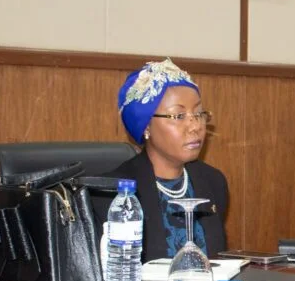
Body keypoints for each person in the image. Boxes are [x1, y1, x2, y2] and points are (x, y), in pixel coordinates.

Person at [95, 58, 228, 262]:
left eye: (199, 113)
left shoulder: (213, 181)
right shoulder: (112, 194)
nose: (195, 126)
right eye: (178, 116)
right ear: (146, 126)